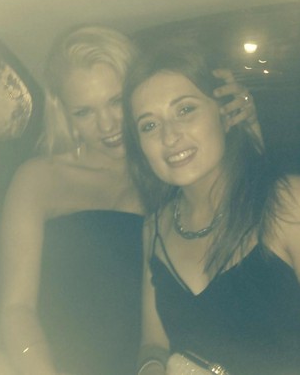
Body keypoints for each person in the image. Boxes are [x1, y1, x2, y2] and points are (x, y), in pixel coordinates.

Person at [1, 26, 257, 375]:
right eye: (84, 112)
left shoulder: (177, 170)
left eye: (116, 102)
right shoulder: (39, 179)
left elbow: (247, 226)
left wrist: (243, 126)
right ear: (63, 114)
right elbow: (17, 309)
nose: (107, 124)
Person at [121, 41, 300, 375]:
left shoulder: (288, 202)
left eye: (185, 110)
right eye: (149, 125)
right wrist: (152, 367)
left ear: (226, 113)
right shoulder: (155, 228)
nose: (169, 137)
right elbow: (154, 343)